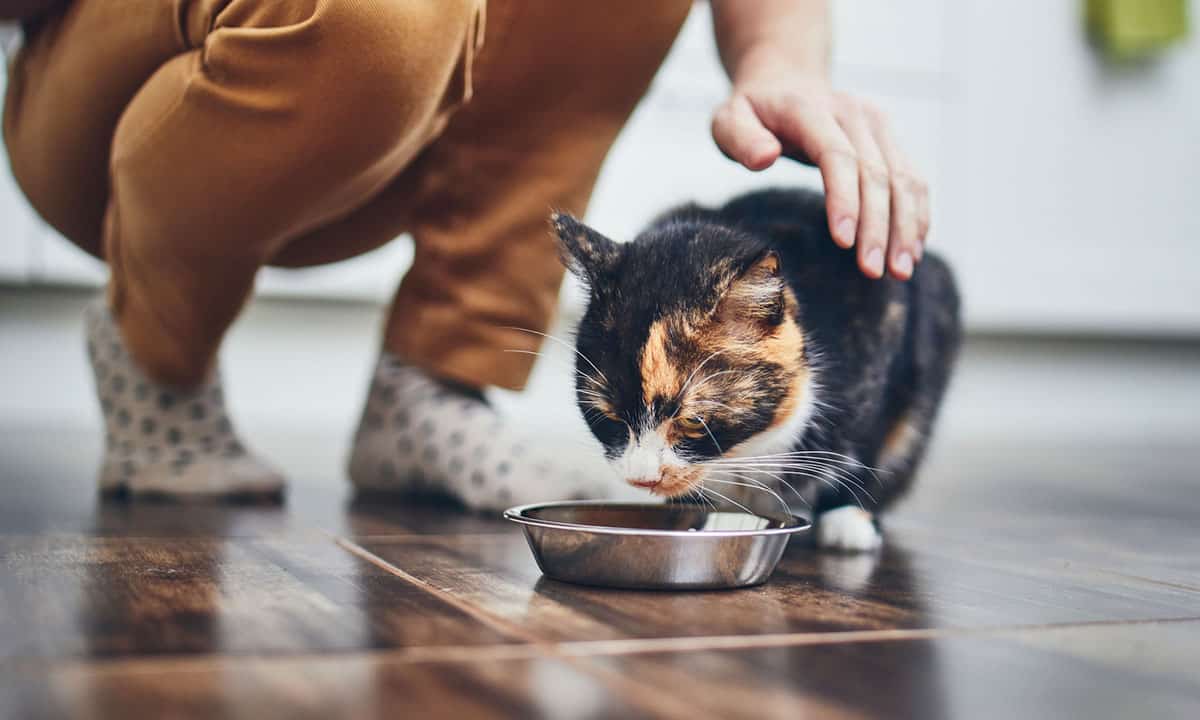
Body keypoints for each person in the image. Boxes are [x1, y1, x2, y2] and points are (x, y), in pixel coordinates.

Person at [2, 0, 930, 503]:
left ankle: (431, 383)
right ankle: (155, 355)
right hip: (111, 89)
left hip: (387, 129)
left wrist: (780, 68)